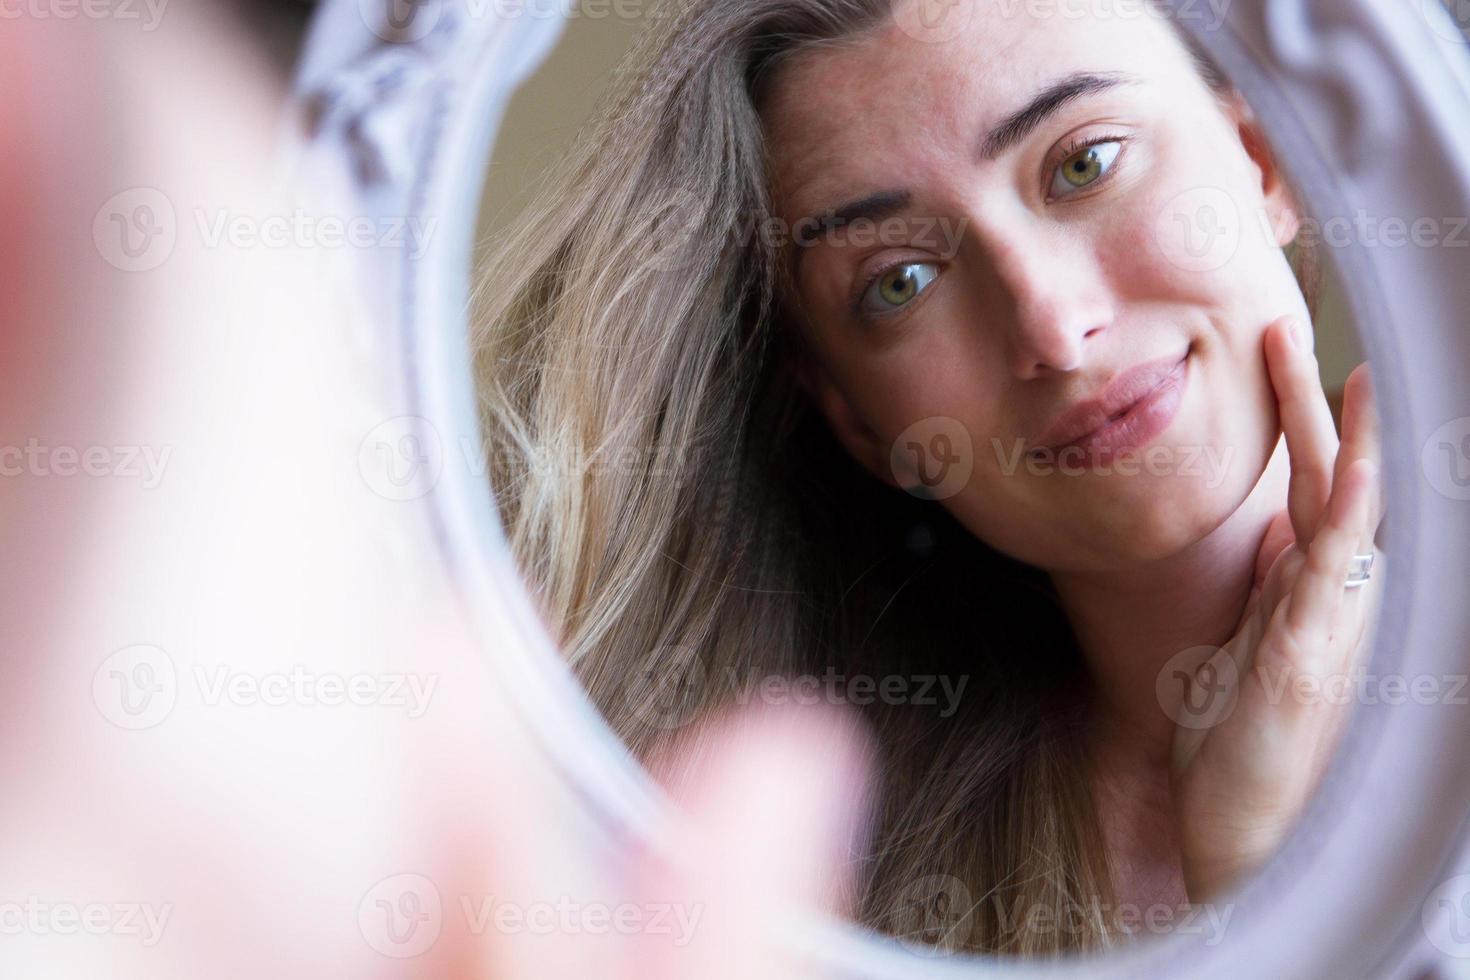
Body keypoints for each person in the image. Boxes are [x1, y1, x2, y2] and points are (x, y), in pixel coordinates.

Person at [474, 0, 1385, 955]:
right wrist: (1263, 879)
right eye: (901, 280)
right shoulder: (819, 910)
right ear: (859, 419)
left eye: (1086, 163)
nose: (1050, 326)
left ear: (1264, 160)